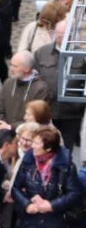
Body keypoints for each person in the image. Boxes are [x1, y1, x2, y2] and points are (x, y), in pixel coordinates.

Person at [35, 19, 86, 153]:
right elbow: (34, 80)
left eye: (64, 34)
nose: (60, 36)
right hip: (47, 110)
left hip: (71, 113)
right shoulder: (42, 53)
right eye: (57, 33)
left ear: (71, 34)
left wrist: (80, 104)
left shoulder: (80, 55)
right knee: (46, 147)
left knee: (66, 150)